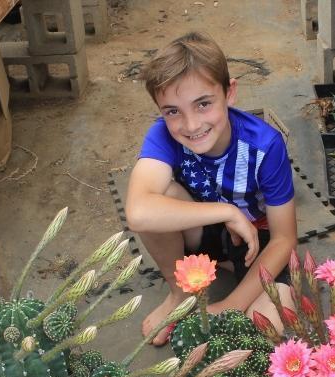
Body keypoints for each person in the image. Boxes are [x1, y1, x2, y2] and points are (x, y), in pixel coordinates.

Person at [125, 32, 296, 346]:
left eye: (203, 104)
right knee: (158, 200)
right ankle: (179, 294)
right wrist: (227, 212)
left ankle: (231, 270)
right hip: (205, 231)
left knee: (273, 318)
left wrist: (229, 305)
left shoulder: (265, 145)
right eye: (173, 111)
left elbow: (285, 238)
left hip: (257, 241)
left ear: (229, 93)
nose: (191, 126)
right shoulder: (162, 134)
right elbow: (137, 212)